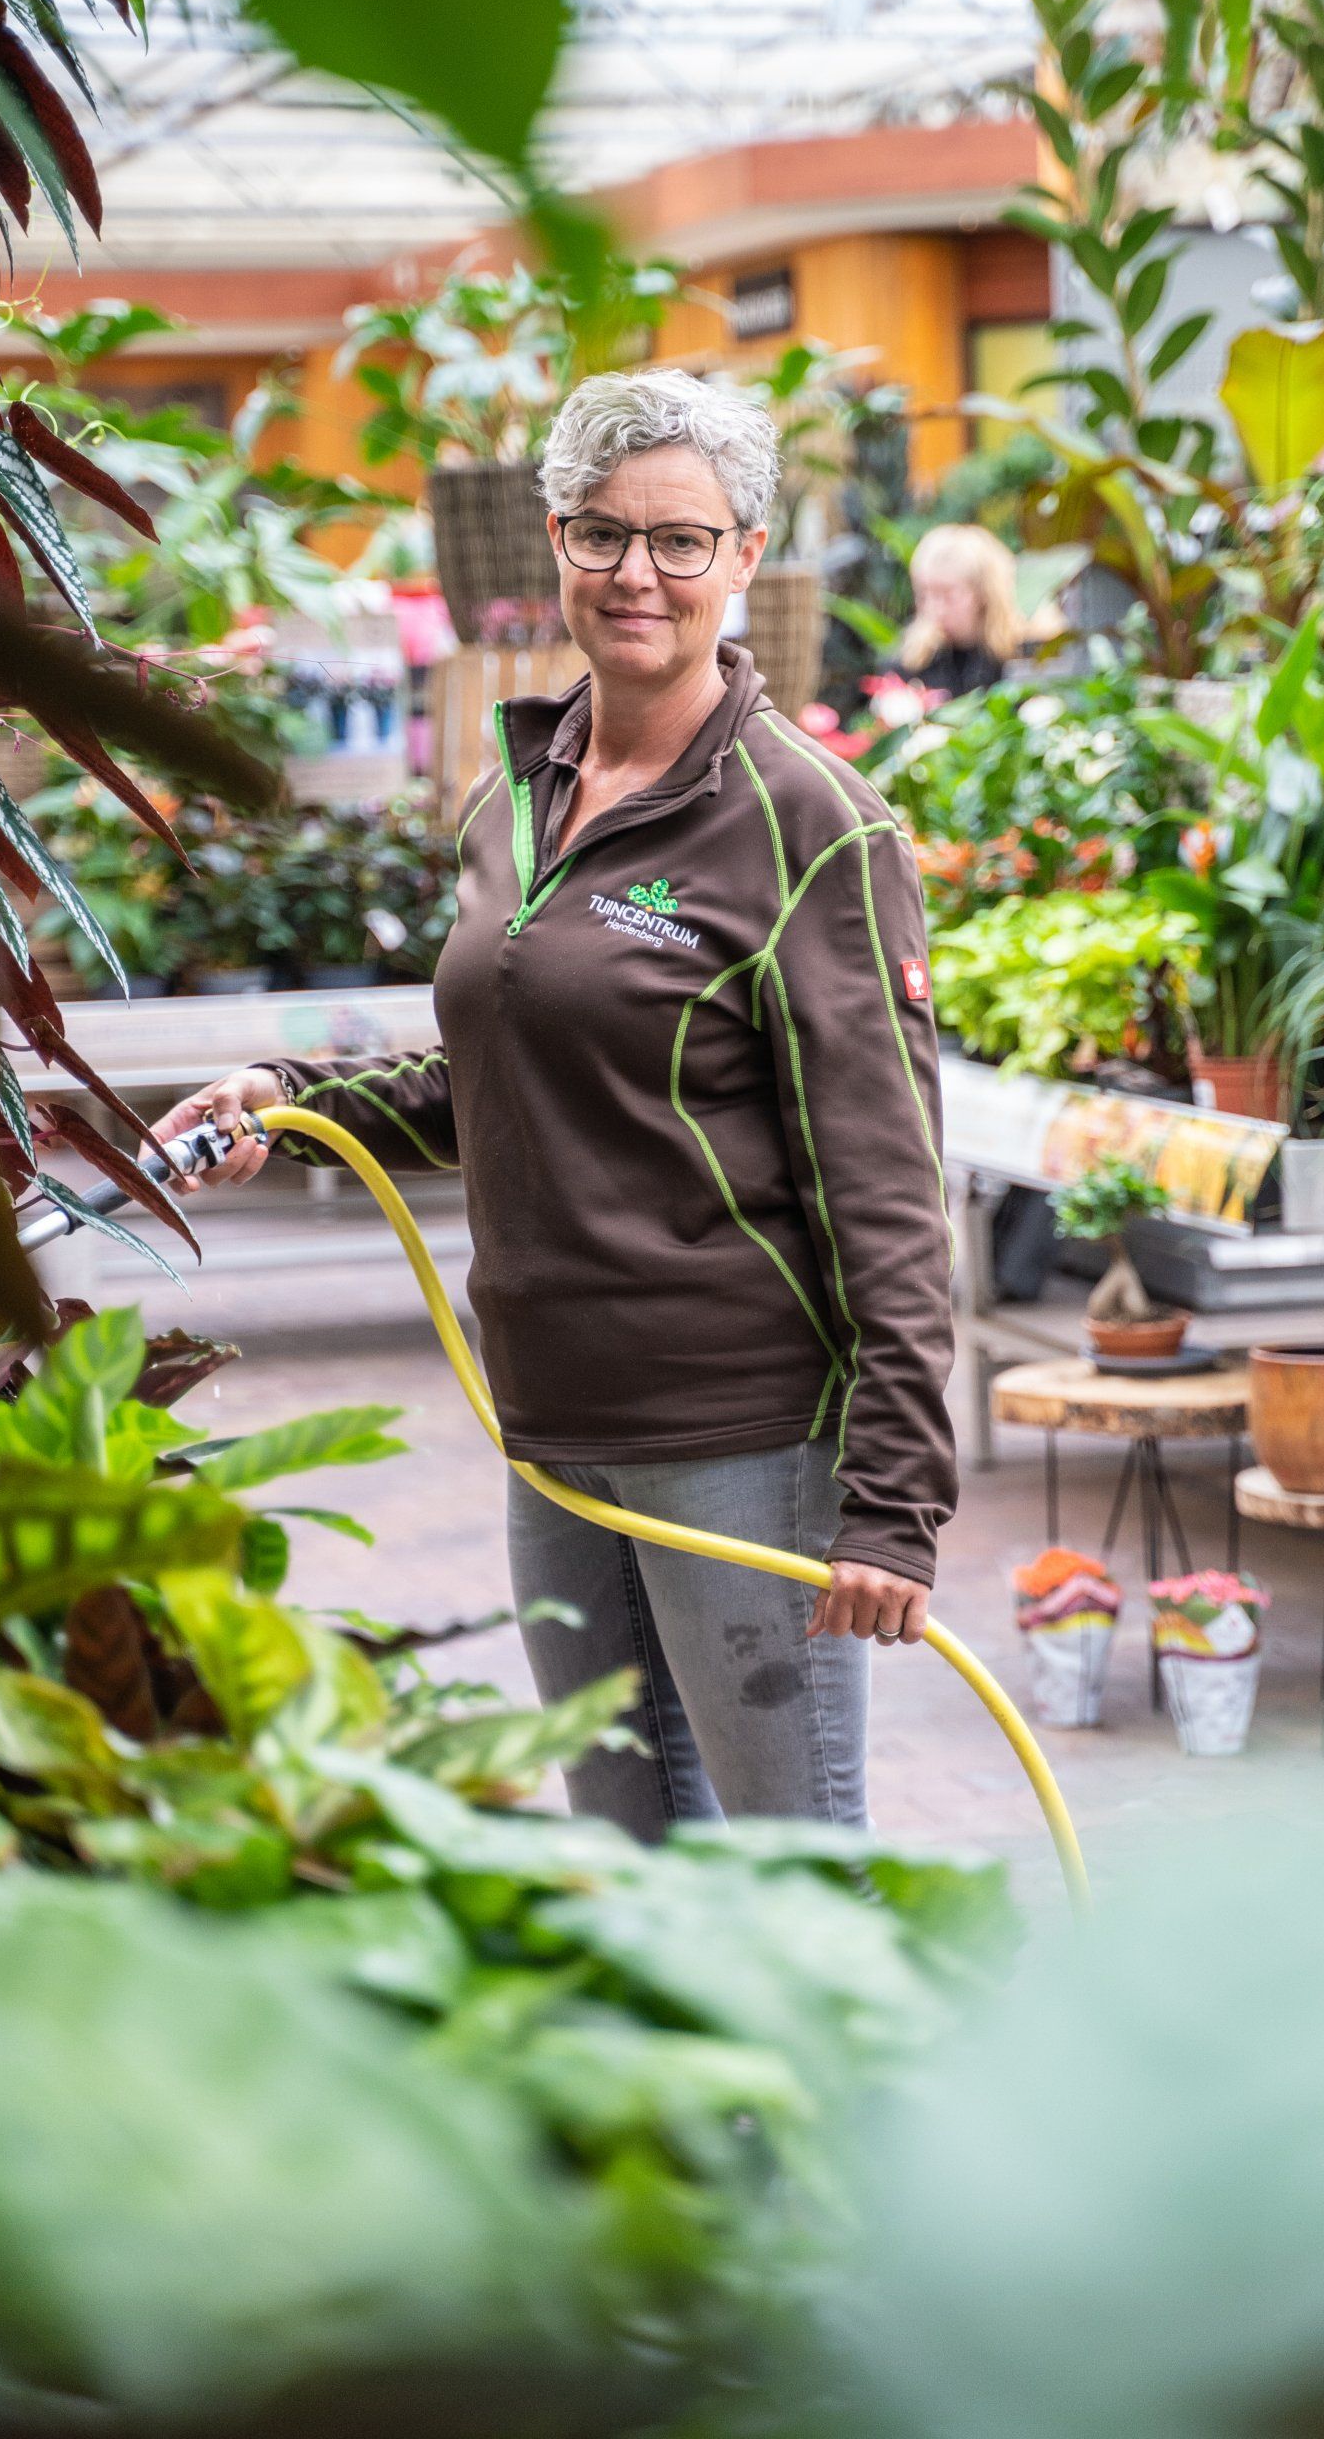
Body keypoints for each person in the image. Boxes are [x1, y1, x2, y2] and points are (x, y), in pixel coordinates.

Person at [153, 367, 958, 1841]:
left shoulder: (811, 828)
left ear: (746, 560)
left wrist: (895, 1498)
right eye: (601, 534)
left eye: (681, 540)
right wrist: (294, 1094)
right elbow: (501, 1074)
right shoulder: (518, 793)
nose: (637, 572)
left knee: (790, 1891)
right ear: (556, 543)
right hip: (551, 1423)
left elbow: (890, 1191)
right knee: (633, 1865)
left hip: (737, 1430)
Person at [891, 521, 1019, 700]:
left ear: (984, 593)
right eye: (923, 595)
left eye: (947, 594)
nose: (934, 608)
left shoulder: (1020, 657)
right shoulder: (911, 663)